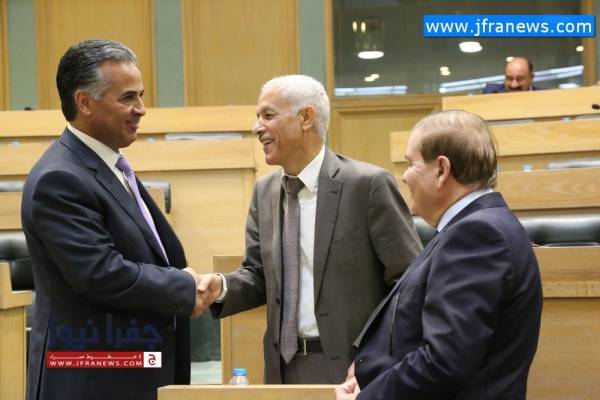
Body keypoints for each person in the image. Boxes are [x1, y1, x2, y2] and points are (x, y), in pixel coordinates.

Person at [197, 75, 422, 384]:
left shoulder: (367, 185)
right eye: (258, 116)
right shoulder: (265, 191)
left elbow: (410, 283)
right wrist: (221, 287)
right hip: (281, 369)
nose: (257, 127)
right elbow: (260, 275)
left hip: (355, 370)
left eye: (268, 115)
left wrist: (379, 357)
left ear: (305, 118)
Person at [21, 39, 204, 400]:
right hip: (92, 380)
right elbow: (100, 273)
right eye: (127, 98)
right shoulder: (60, 178)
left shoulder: (108, 164)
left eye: (141, 96)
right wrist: (183, 286)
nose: (141, 109)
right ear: (84, 102)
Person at [335, 110, 543, 400]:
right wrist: (372, 376)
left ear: (442, 170)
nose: (404, 177)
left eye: (411, 163)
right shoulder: (475, 227)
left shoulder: (476, 235)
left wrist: (368, 397)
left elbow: (444, 362)